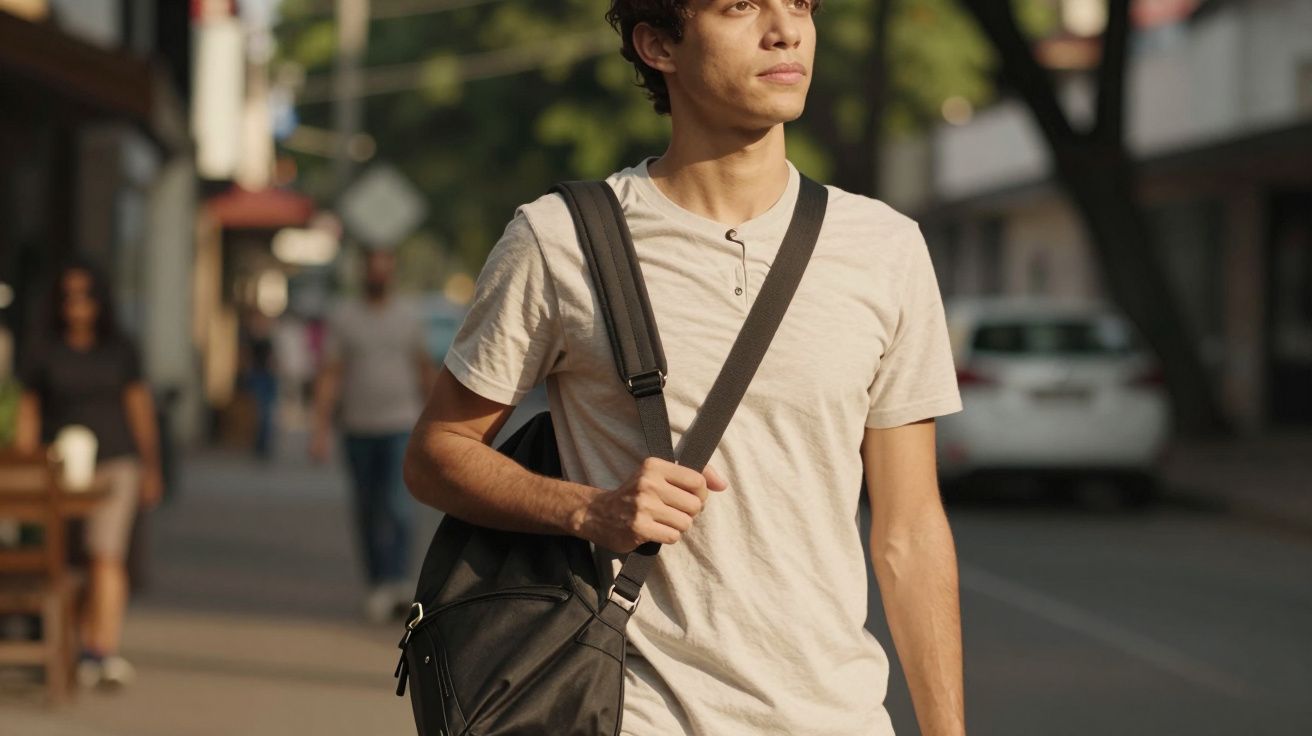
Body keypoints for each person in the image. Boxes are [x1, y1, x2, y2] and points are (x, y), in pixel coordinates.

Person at [404, 1, 967, 734]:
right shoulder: (559, 240)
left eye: (800, 4)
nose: (785, 30)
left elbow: (910, 529)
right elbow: (435, 455)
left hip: (840, 715)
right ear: (658, 44)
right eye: (741, 7)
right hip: (638, 710)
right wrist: (589, 509)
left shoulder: (885, 249)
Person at [15, 258, 164, 689]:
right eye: (69, 298)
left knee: (106, 552)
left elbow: (139, 407)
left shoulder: (120, 348)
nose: (77, 307)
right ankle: (77, 646)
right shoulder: (44, 349)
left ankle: (103, 648)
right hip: (60, 469)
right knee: (69, 558)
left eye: (85, 297)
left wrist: (151, 465)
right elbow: (29, 410)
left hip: (117, 459)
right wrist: (28, 463)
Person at [311, 248, 436, 623]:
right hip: (358, 427)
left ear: (392, 272)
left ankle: (398, 581)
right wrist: (319, 429)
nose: (379, 274)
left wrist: (438, 424)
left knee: (398, 504)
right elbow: (331, 373)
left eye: (386, 267)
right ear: (364, 272)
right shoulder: (345, 316)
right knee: (367, 508)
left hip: (400, 425)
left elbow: (423, 369)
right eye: (373, 268)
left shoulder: (408, 316)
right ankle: (377, 583)